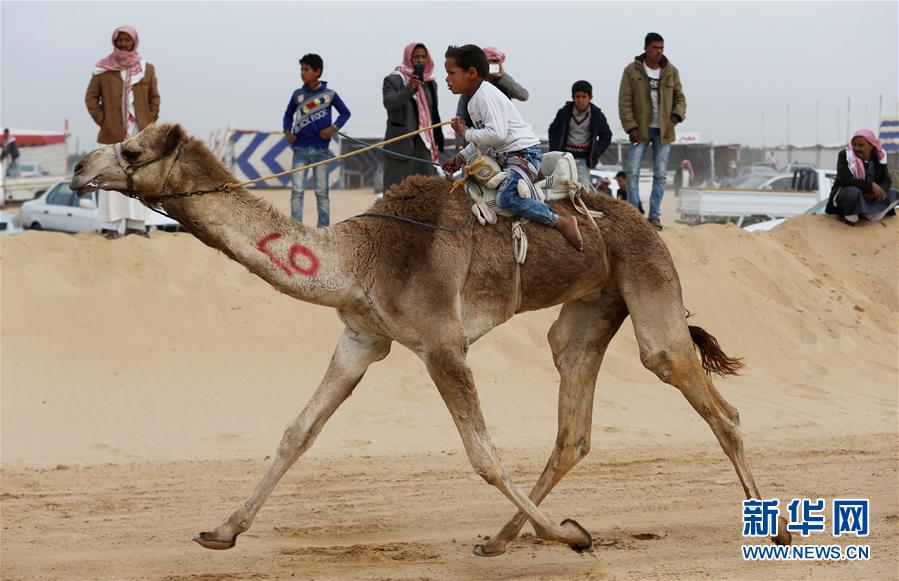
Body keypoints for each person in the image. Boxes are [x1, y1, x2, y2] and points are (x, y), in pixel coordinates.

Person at [442, 44, 582, 252]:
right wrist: (461, 157)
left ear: (471, 73)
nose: (447, 79)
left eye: (451, 73)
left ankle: (561, 221)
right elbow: (485, 139)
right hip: (505, 155)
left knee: (506, 198)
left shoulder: (485, 96)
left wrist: (465, 133)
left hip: (523, 155)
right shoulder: (474, 101)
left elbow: (496, 133)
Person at [85, 25, 159, 239]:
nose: (123, 44)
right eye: (120, 40)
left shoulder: (147, 68)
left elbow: (155, 97)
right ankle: (110, 226)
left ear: (134, 41)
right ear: (114, 41)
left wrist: (150, 120)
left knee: (138, 178)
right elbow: (91, 98)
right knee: (110, 177)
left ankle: (136, 225)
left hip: (139, 135)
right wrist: (104, 121)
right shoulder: (103, 69)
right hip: (112, 135)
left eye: (127, 40)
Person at [618, 32, 686, 231]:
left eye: (662, 48)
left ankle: (654, 215)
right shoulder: (632, 71)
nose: (659, 51)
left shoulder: (671, 71)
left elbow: (680, 98)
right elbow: (624, 101)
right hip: (640, 131)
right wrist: (631, 127)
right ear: (646, 48)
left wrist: (675, 116)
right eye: (655, 47)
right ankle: (634, 214)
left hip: (664, 132)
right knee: (632, 172)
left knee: (661, 174)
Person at [283, 53, 351, 227]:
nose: (302, 73)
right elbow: (288, 115)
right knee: (297, 191)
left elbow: (345, 113)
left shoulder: (329, 94)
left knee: (321, 191)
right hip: (300, 150)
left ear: (317, 71)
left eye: (306, 69)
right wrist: (287, 132)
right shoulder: (297, 95)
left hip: (321, 150)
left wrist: (333, 129)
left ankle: (323, 231)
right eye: (301, 69)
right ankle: (296, 229)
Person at [381, 42, 444, 193]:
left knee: (426, 190)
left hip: (425, 143)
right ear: (409, 58)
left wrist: (438, 139)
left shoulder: (430, 83)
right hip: (402, 143)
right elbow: (390, 103)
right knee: (397, 190)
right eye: (416, 57)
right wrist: (410, 88)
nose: (420, 60)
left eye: (423, 56)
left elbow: (433, 113)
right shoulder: (394, 79)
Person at [548, 80, 612, 192]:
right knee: (561, 187)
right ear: (573, 97)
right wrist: (555, 149)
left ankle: (580, 209)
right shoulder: (564, 112)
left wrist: (596, 151)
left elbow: (606, 136)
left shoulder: (597, 115)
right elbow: (553, 130)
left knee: (581, 189)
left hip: (584, 159)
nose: (580, 100)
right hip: (565, 156)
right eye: (577, 96)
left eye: (584, 96)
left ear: (590, 97)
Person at [826, 129, 898, 226]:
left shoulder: (879, 156)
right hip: (848, 194)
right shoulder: (845, 155)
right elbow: (845, 181)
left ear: (871, 145)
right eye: (854, 144)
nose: (856, 148)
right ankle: (850, 214)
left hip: (869, 195)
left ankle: (870, 213)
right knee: (853, 192)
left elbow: (886, 179)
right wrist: (870, 185)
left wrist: (879, 191)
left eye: (861, 145)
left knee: (895, 193)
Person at [455, 46, 529, 141]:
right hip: (477, 138)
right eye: (488, 62)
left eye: (495, 62)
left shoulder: (504, 83)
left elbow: (524, 95)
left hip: (503, 139)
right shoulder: (472, 85)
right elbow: (460, 116)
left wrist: (503, 76)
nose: (492, 65)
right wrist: (460, 143)